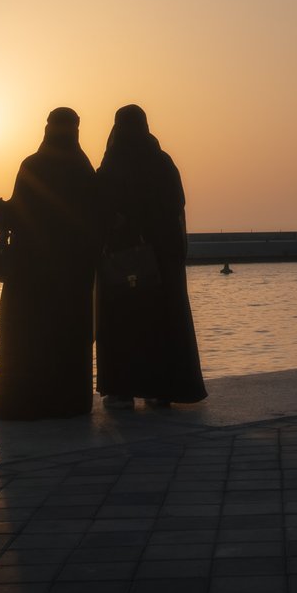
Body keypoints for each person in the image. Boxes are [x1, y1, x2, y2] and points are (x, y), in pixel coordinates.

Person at [0, 107, 98, 420]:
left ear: (47, 129)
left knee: (26, 337)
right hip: (72, 274)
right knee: (67, 335)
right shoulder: (83, 169)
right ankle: (68, 403)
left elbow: (20, 213)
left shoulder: (33, 165)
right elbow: (94, 219)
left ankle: (23, 402)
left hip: (30, 272)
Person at [95, 104, 206, 407]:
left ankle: (122, 390)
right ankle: (160, 389)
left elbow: (98, 207)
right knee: (159, 325)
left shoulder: (112, 164)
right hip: (161, 263)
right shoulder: (162, 162)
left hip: (121, 265)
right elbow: (174, 207)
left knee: (124, 326)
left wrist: (124, 224)